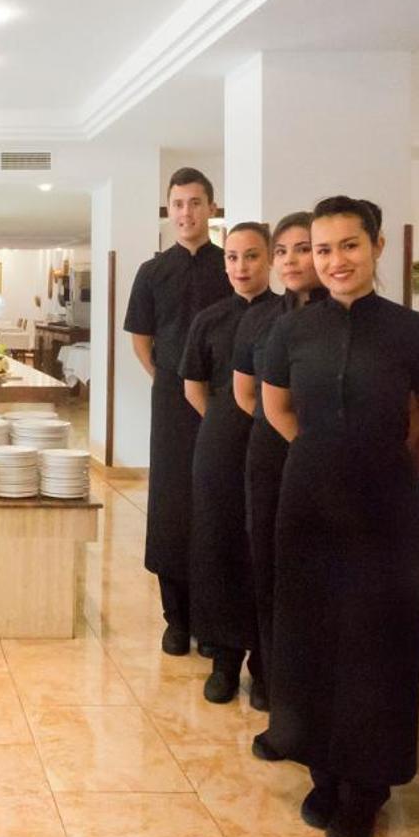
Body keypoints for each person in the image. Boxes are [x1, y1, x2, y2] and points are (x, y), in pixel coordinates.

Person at [259, 196, 419, 837]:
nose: (335, 260)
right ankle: (322, 770)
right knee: (309, 635)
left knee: (378, 642)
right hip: (308, 502)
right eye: (323, 249)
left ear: (376, 247)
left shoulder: (414, 331)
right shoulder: (292, 331)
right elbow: (278, 408)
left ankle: (367, 788)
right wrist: (322, 459)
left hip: (386, 506)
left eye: (349, 245)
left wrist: (394, 476)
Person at [123, 167, 231, 655]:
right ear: (169, 210)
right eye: (178, 204)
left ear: (212, 208)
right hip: (170, 400)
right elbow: (141, 339)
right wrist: (169, 380)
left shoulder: (229, 266)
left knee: (216, 501)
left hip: (224, 399)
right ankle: (176, 618)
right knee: (171, 502)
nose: (187, 212)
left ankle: (212, 619)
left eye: (196, 202)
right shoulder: (152, 272)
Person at [179, 222, 281, 704]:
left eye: (252, 256)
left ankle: (264, 666)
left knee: (262, 548)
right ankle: (223, 660)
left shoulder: (287, 315)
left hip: (274, 439)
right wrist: (224, 423)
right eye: (233, 257)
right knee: (217, 544)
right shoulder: (209, 319)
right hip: (220, 442)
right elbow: (193, 387)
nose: (241, 267)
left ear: (270, 259)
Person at [233, 211, 320, 743]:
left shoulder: (342, 317)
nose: (291, 260)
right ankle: (270, 679)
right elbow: (246, 395)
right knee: (267, 568)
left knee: (317, 577)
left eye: (303, 248)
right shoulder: (264, 319)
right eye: (282, 251)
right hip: (271, 455)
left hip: (330, 462)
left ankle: (314, 696)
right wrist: (291, 435)